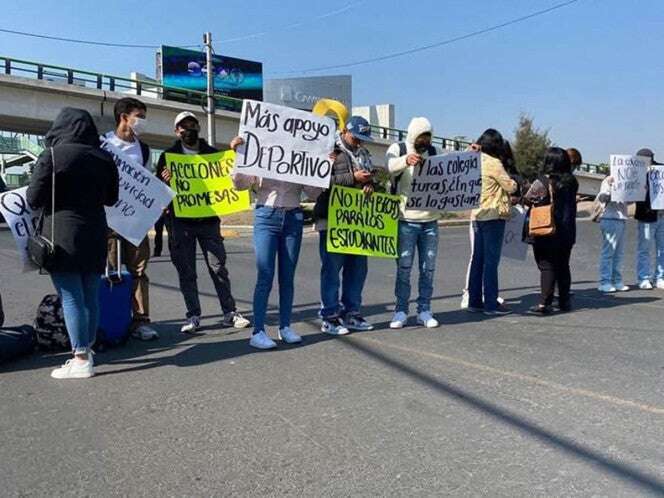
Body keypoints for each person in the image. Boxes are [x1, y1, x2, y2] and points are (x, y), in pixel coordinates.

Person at [27, 108, 119, 379]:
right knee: (90, 294)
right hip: (96, 233)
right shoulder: (105, 158)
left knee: (70, 296)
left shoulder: (53, 156)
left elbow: (34, 198)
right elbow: (111, 199)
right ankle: (87, 351)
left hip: (62, 235)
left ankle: (79, 358)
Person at [157, 112, 250, 333]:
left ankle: (230, 312)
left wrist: (236, 154)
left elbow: (230, 180)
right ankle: (193, 315)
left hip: (208, 221)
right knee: (186, 271)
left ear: (199, 127)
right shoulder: (168, 156)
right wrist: (165, 181)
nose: (188, 129)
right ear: (176, 131)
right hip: (180, 222)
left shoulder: (213, 155)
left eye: (192, 124)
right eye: (183, 126)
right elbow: (159, 191)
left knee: (218, 267)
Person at [232, 139, 323, 349]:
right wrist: (241, 155)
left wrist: (320, 167)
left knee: (287, 276)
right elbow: (239, 184)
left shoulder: (301, 157)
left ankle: (285, 326)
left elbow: (314, 193)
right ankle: (258, 331)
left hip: (293, 216)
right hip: (266, 215)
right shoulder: (261, 154)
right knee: (265, 274)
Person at [312, 116, 378, 336]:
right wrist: (353, 177)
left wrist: (369, 183)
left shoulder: (364, 154)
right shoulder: (328, 150)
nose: (359, 142)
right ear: (344, 131)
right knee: (332, 270)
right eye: (356, 137)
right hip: (332, 219)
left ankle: (352, 312)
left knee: (357, 270)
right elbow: (320, 180)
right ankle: (329, 316)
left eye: (362, 139)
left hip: (358, 221)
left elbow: (371, 180)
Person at [101, 97, 159, 341]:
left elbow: (146, 183)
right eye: (139, 115)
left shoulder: (143, 149)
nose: (142, 121)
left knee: (138, 270)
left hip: (136, 221)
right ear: (124, 117)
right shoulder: (103, 144)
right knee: (111, 270)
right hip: (109, 220)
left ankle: (141, 321)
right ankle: (112, 320)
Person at [385, 117, 441, 329]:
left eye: (428, 137)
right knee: (404, 268)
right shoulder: (398, 148)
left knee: (428, 268)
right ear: (413, 135)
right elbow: (389, 166)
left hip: (430, 221)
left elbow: (453, 171)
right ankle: (400, 310)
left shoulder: (435, 153)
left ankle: (424, 310)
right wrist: (405, 161)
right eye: (421, 137)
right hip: (405, 220)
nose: (425, 141)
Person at [466, 129, 517, 315]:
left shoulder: (472, 160)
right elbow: (510, 186)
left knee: (477, 260)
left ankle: (474, 301)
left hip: (477, 214)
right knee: (491, 262)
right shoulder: (494, 163)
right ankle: (490, 303)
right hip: (494, 215)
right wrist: (517, 183)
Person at [524, 148, 579, 314]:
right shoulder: (572, 181)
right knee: (563, 265)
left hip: (547, 228)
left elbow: (528, 198)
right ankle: (564, 301)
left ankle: (544, 303)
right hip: (567, 229)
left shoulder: (543, 181)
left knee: (546, 265)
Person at [634, 148, 664, 290]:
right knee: (644, 248)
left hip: (661, 214)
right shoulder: (636, 172)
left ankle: (660, 277)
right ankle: (643, 277)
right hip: (646, 215)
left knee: (662, 249)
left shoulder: (661, 170)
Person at [597, 171, 629, 293]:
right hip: (609, 218)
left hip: (621, 219)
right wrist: (610, 187)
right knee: (608, 252)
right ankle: (605, 281)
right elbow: (602, 197)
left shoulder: (625, 182)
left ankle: (617, 280)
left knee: (619, 253)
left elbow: (628, 201)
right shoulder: (608, 180)